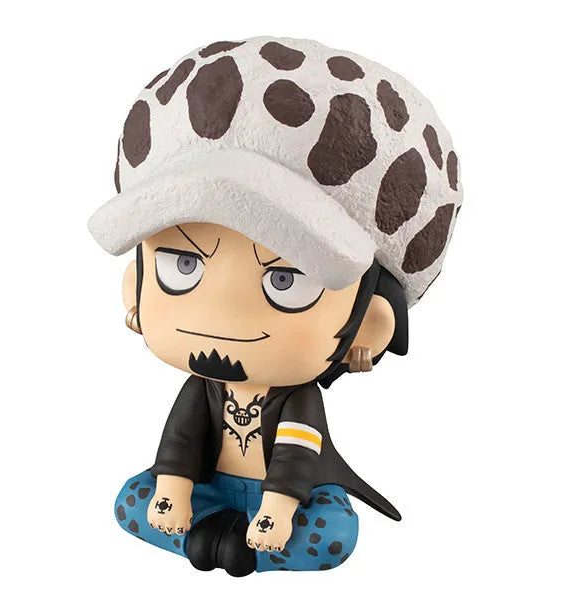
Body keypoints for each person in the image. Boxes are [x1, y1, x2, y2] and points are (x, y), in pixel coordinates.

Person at [88, 36, 462, 576]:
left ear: (370, 326)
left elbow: (295, 455)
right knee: (132, 501)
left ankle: (230, 542)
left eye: (284, 280)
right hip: (207, 487)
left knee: (332, 534)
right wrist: (172, 487)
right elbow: (181, 440)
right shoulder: (203, 387)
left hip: (289, 499)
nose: (221, 311)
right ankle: (221, 539)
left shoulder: (298, 399)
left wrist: (280, 507)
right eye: (182, 265)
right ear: (135, 288)